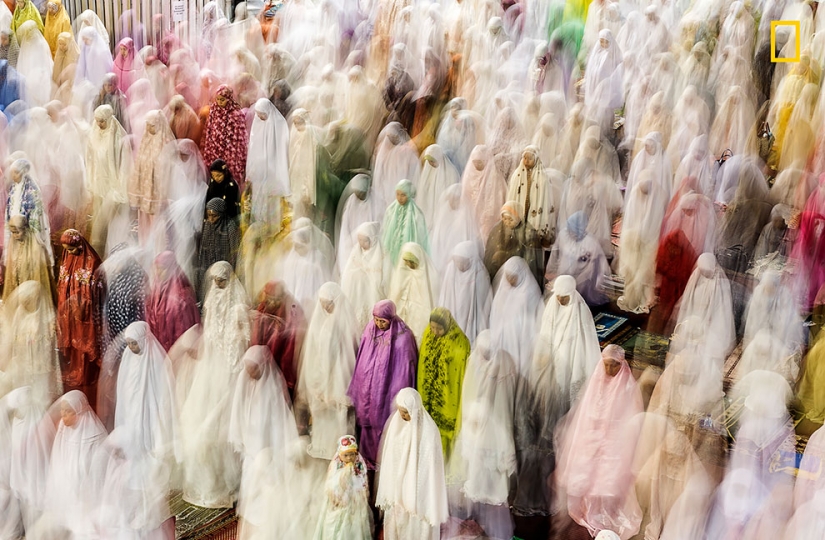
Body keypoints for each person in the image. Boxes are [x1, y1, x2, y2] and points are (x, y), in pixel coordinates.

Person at [555, 345, 643, 539]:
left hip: (615, 443)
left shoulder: (629, 387)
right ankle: (591, 509)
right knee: (589, 476)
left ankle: (606, 511)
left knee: (608, 480)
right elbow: (586, 413)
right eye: (607, 365)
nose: (610, 370)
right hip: (593, 438)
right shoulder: (595, 382)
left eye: (615, 365)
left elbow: (633, 421)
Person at [180, 261, 249, 508]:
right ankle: (211, 476)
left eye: (222, 281)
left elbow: (242, 338)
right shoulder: (211, 299)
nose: (218, 285)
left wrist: (234, 365)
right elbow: (210, 330)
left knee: (225, 421)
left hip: (231, 367)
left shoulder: (238, 305)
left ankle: (231, 478)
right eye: (215, 281)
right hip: (212, 366)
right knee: (202, 417)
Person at [446, 330, 516, 540]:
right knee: (474, 479)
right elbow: (468, 390)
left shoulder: (503, 366)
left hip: (494, 423)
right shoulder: (473, 360)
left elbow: (504, 402)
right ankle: (477, 521)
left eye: (488, 352)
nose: (484, 355)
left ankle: (493, 528)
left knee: (492, 487)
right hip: (475, 422)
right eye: (482, 351)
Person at [229, 345, 299, 526]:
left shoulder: (273, 387)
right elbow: (238, 411)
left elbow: (279, 422)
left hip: (267, 448)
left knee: (266, 484)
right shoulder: (244, 382)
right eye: (248, 369)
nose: (250, 373)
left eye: (253, 369)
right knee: (250, 481)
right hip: (250, 447)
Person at [347, 300, 417, 468]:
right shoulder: (370, 329)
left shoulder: (403, 337)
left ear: (391, 318)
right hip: (368, 386)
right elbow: (362, 357)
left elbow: (405, 368)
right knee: (367, 422)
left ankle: (384, 460)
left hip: (387, 388)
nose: (378, 323)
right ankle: (367, 458)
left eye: (382, 321)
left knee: (383, 421)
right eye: (376, 319)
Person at [376, 387, 449, 540]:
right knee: (399, 519)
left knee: (416, 520)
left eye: (406, 412)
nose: (402, 415)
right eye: (401, 411)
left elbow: (430, 463)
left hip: (419, 485)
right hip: (399, 486)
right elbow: (391, 457)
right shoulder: (396, 426)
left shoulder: (429, 430)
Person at [297, 283, 359, 459]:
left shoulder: (345, 320)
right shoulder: (320, 320)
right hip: (321, 374)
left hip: (340, 375)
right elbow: (314, 349)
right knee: (323, 416)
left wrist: (337, 374)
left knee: (340, 414)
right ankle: (323, 448)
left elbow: (350, 350)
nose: (325, 307)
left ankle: (342, 452)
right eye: (323, 303)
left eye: (329, 303)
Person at [42, 390, 106, 534]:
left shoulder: (94, 434)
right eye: (62, 410)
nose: (63, 415)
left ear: (79, 411)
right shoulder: (63, 429)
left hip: (86, 490)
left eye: (68, 411)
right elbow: (58, 456)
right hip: (68, 485)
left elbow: (99, 468)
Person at [114, 321, 178, 464]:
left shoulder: (156, 359)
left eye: (134, 343)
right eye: (129, 343)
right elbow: (123, 383)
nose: (131, 347)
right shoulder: (127, 357)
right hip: (132, 404)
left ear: (143, 340)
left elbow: (163, 388)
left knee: (149, 434)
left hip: (150, 406)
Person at [417, 307, 470, 460]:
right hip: (428, 393)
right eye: (432, 327)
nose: (435, 331)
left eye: (439, 329)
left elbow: (459, 374)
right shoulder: (428, 334)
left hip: (447, 397)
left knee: (444, 435)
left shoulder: (460, 343)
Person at [56, 229, 102, 403]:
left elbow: (98, 287)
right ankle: (74, 370)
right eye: (67, 249)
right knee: (73, 341)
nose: (70, 252)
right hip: (69, 309)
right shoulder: (67, 258)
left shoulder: (93, 261)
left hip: (85, 311)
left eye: (72, 248)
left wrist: (83, 303)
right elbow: (62, 283)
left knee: (83, 338)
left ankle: (85, 372)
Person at [3, 280, 62, 407]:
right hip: (23, 363)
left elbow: (50, 345)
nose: (27, 304)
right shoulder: (20, 314)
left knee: (40, 396)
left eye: (29, 300)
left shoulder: (47, 317)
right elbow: (14, 337)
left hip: (41, 364)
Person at [86, 104, 131, 255]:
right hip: (99, 183)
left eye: (102, 121)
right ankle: (97, 253)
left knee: (110, 222)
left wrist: (119, 188)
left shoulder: (118, 137)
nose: (99, 124)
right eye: (97, 121)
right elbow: (90, 158)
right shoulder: (95, 132)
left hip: (113, 186)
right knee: (98, 221)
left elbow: (124, 164)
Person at [250, 280, 306, 394]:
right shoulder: (264, 306)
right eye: (268, 299)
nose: (270, 303)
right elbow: (257, 331)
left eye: (274, 299)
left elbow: (292, 335)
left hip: (281, 350)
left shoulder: (291, 309)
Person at [313, 435, 373, 540]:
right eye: (346, 455)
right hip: (340, 501)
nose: (349, 458)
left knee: (354, 525)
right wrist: (343, 475)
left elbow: (363, 480)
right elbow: (331, 483)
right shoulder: (335, 465)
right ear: (340, 455)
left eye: (352, 455)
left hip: (354, 501)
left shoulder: (359, 464)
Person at [129, 110, 175, 236]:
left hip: (158, 190)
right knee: (144, 220)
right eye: (147, 124)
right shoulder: (146, 138)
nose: (148, 127)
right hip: (145, 187)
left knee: (158, 223)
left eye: (152, 125)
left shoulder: (166, 141)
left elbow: (168, 169)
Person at [438, 241, 492, 345]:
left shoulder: (480, 274)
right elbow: (446, 294)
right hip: (453, 311)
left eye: (463, 262)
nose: (459, 265)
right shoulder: (451, 268)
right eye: (457, 261)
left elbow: (482, 305)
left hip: (472, 317)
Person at [246, 98, 290, 223]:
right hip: (260, 171)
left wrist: (271, 165)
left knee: (272, 201)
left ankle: (273, 226)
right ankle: (259, 224)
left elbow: (281, 150)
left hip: (273, 170)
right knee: (259, 199)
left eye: (262, 115)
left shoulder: (279, 123)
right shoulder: (258, 121)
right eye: (258, 115)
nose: (259, 117)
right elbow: (253, 147)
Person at [145, 251, 200, 352]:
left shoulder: (182, 296)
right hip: (158, 349)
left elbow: (185, 329)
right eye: (157, 268)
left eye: (163, 268)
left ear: (171, 269)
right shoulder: (156, 289)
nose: (158, 272)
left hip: (177, 350)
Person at [506, 145, 560, 249]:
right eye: (524, 158)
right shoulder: (517, 175)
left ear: (536, 159)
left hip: (535, 210)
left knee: (533, 239)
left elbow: (545, 199)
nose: (526, 161)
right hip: (521, 208)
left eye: (530, 159)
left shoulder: (543, 178)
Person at [340, 221, 389, 329]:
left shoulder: (381, 253)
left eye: (364, 240)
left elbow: (386, 275)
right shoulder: (356, 251)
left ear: (373, 239)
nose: (361, 243)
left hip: (373, 291)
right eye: (359, 240)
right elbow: (348, 271)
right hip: (358, 291)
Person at [483, 201, 543, 286]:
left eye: (510, 219)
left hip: (517, 274)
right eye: (504, 218)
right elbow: (490, 250)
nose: (507, 222)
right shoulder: (497, 229)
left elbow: (531, 259)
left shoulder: (528, 232)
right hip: (498, 270)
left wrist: (506, 255)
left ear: (518, 216)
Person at [5, 158, 51, 265]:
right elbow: (10, 208)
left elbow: (36, 213)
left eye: (16, 173)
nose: (13, 176)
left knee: (28, 262)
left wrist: (23, 225)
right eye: (12, 173)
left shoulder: (32, 189)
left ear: (24, 172)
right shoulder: (13, 188)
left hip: (27, 233)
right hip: (15, 231)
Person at [201, 85, 249, 186]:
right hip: (215, 149)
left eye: (222, 99)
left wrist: (233, 155)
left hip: (230, 151)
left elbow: (239, 139)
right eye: (217, 99)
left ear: (228, 99)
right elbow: (209, 130)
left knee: (228, 178)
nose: (219, 102)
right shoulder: (214, 110)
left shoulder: (236, 115)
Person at [3, 214, 52, 301]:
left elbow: (38, 271)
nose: (14, 236)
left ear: (25, 229)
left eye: (17, 232)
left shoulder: (36, 246)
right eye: (12, 232)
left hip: (30, 282)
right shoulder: (13, 243)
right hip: (17, 278)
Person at [381, 178, 429, 266]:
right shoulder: (391, 210)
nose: (400, 198)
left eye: (403, 195)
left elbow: (420, 235)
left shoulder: (416, 213)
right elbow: (385, 229)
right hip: (393, 245)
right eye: (397, 194)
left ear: (409, 195)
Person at [197, 197, 241, 293]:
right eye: (209, 215)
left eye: (215, 215)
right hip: (209, 265)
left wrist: (229, 270)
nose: (211, 219)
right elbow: (203, 249)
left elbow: (235, 252)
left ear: (221, 214)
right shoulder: (208, 225)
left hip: (224, 269)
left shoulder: (230, 227)